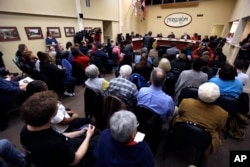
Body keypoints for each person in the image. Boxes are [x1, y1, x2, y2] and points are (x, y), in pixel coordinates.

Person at [20, 91, 96, 167]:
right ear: (51, 117)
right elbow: (75, 160)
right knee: (97, 141)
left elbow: (59, 135)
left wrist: (80, 132)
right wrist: (88, 136)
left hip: (56, 153)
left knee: (84, 128)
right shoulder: (55, 143)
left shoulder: (26, 130)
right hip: (71, 157)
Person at [171, 82, 228, 155]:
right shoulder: (222, 113)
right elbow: (219, 128)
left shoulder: (186, 102)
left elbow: (180, 113)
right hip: (204, 140)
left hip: (181, 130)